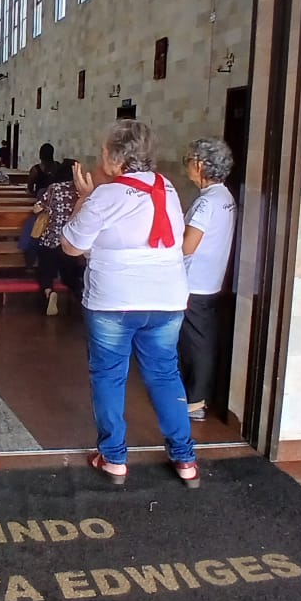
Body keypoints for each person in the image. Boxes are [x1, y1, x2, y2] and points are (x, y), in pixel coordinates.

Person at [61, 120, 198, 489]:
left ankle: (114, 457)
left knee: (109, 376)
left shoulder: (107, 195)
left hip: (115, 302)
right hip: (167, 299)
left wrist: (85, 197)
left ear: (115, 155)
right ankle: (184, 458)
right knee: (164, 374)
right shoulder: (166, 187)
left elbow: (72, 245)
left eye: (105, 149)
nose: (101, 154)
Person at [179, 138, 237, 422]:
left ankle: (195, 400)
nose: (188, 167)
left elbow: (188, 246)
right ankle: (198, 396)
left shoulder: (206, 202)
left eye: (189, 161)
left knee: (193, 343)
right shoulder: (225, 197)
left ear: (201, 165)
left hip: (195, 282)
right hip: (212, 280)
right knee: (202, 338)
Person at [33, 159, 83, 315]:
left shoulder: (54, 188)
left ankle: (49, 292)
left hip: (51, 239)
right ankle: (79, 293)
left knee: (45, 270)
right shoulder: (82, 191)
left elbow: (36, 209)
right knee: (70, 273)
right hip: (72, 241)